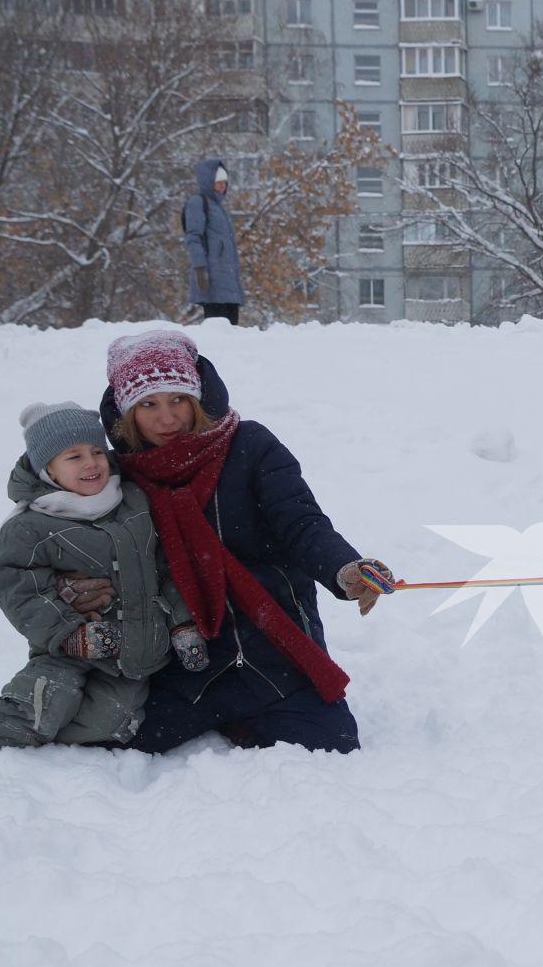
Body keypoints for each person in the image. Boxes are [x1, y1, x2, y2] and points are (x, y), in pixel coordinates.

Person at [62, 331, 389, 754]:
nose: (167, 419)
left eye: (178, 399)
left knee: (334, 744)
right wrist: (72, 584)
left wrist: (345, 568)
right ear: (126, 413)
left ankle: (253, 713)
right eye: (148, 404)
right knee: (107, 744)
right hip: (181, 665)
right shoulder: (114, 476)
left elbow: (302, 523)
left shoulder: (251, 447)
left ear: (199, 397)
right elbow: (68, 538)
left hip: (273, 651)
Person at [0, 402, 208, 755]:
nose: (91, 463)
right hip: (66, 651)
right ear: (47, 468)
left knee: (110, 722)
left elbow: (167, 570)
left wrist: (181, 625)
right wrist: (70, 634)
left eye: (96, 451)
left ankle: (52, 748)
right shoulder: (30, 526)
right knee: (45, 700)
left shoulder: (134, 502)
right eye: (73, 457)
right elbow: (20, 590)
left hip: (133, 658)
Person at [184, 158, 244, 325]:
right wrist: (200, 268)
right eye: (218, 182)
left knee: (232, 332)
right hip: (212, 282)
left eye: (225, 182)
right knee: (219, 332)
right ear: (208, 181)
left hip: (228, 283)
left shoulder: (219, 208)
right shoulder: (198, 203)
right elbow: (193, 237)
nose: (223, 186)